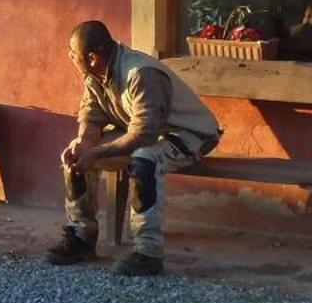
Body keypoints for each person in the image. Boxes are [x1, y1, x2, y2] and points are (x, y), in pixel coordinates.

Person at [48, 19, 222, 277]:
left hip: (189, 134)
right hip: (145, 130)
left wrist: (96, 153)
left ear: (93, 57)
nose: (70, 57)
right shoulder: (95, 75)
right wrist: (85, 147)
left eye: (72, 53)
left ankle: (148, 252)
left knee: (145, 159)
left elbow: (145, 134)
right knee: (76, 152)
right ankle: (82, 236)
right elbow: (91, 120)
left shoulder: (141, 74)